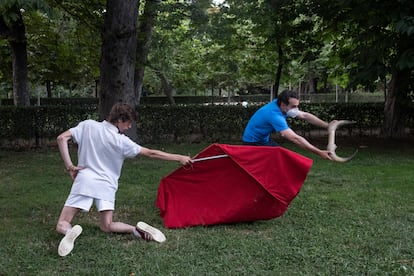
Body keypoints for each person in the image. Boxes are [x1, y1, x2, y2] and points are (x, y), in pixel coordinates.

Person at [56, 103, 193, 257]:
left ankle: (68, 231)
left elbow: (62, 138)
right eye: (128, 123)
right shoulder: (122, 141)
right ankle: (135, 230)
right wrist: (179, 157)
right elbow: (151, 153)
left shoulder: (88, 125)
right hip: (107, 186)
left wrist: (70, 166)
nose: (129, 127)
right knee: (107, 226)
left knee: (62, 223)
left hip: (85, 181)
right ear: (120, 120)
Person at [242, 90, 335, 160]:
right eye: (294, 106)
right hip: (252, 143)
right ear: (283, 105)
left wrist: (327, 126)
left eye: (297, 106)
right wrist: (319, 152)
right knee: (279, 161)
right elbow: (295, 138)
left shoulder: (280, 104)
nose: (296, 109)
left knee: (281, 159)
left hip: (263, 140)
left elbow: (305, 115)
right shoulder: (274, 115)